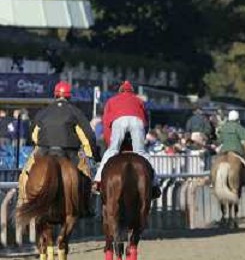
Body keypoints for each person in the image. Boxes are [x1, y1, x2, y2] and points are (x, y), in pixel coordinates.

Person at [19, 81, 100, 214]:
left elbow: (33, 135)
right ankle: (87, 207)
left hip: (44, 150)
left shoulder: (43, 112)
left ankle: (22, 202)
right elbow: (87, 137)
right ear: (69, 97)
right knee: (86, 176)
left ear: (55, 95)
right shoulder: (76, 112)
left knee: (24, 175)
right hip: (69, 152)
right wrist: (93, 155)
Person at [92, 81, 161, 198]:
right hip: (137, 121)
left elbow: (106, 122)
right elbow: (146, 123)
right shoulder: (139, 100)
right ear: (132, 91)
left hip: (119, 121)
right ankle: (155, 184)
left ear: (120, 91)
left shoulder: (112, 100)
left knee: (111, 152)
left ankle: (98, 181)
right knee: (141, 153)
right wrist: (141, 141)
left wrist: (110, 144)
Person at [217, 110, 245, 192]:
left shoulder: (224, 127)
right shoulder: (238, 126)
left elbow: (220, 140)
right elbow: (244, 136)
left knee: (215, 163)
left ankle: (213, 182)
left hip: (224, 150)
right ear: (237, 118)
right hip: (237, 150)